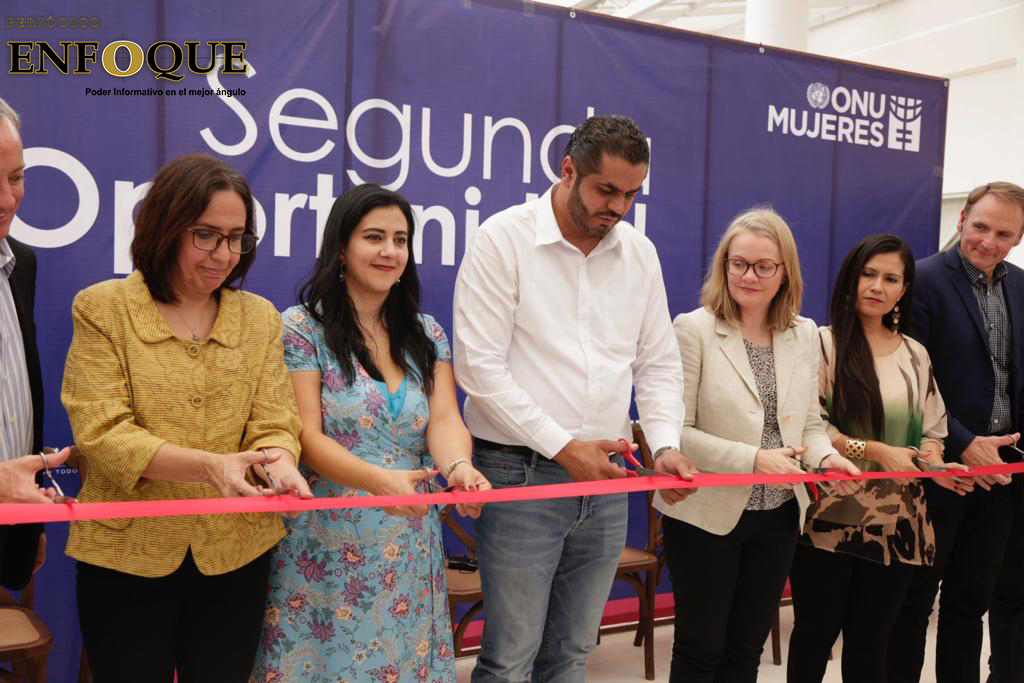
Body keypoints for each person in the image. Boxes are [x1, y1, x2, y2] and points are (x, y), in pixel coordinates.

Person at [453, 114, 697, 683]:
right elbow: (479, 368)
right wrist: (565, 448)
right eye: (606, 190)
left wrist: (663, 446)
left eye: (631, 194)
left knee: (572, 652)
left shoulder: (640, 255)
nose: (618, 207)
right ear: (567, 170)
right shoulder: (503, 239)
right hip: (517, 471)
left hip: (607, 479)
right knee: (510, 657)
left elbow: (658, 364)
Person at [61, 154, 312, 683]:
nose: (224, 254)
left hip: (235, 553)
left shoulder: (259, 316)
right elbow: (102, 434)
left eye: (237, 237)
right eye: (206, 235)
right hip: (127, 555)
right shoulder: (103, 308)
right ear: (166, 228)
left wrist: (281, 461)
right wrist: (210, 468)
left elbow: (273, 420)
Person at [251, 183, 489, 683]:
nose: (389, 251)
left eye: (400, 240)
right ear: (342, 246)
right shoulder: (301, 327)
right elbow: (306, 438)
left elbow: (445, 420)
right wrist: (381, 482)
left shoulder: (426, 333)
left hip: (409, 536)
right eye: (374, 237)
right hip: (328, 541)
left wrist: (460, 468)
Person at [656, 207, 861, 683]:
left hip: (779, 513)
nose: (749, 275)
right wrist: (753, 459)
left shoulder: (804, 333)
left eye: (763, 266)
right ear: (723, 265)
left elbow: (809, 424)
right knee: (699, 649)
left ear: (784, 270)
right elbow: (676, 430)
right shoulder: (694, 328)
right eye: (738, 263)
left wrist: (828, 458)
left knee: (746, 651)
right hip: (706, 513)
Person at [787, 234, 972, 682]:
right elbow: (811, 429)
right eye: (869, 274)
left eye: (891, 278)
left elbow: (933, 431)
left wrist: (934, 464)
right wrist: (874, 451)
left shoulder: (916, 353)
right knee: (815, 634)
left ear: (904, 290)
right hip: (830, 514)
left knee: (873, 642)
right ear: (851, 279)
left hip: (899, 519)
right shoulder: (820, 343)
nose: (877, 286)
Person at [887, 182, 1024, 683]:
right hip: (938, 471)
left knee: (970, 605)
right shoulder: (920, 280)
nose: (988, 241)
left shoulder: (1021, 286)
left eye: (1003, 233)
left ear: (1018, 238)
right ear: (963, 218)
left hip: (1002, 478)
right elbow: (913, 380)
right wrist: (965, 443)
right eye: (981, 226)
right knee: (914, 604)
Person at [0, 97, 69, 590]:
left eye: (16, 177)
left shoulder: (21, 264)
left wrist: (28, 525)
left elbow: (18, 407)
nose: (7, 200)